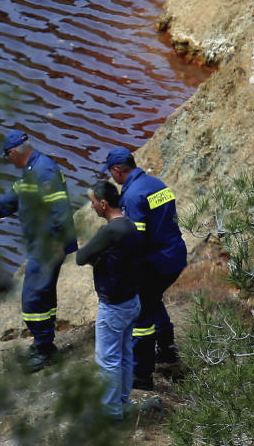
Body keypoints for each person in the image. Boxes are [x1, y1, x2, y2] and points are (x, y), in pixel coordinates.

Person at [0, 130, 78, 372]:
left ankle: (44, 350)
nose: (8, 161)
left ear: (13, 153)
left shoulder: (44, 171)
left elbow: (60, 210)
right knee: (43, 294)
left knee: (32, 297)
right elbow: (15, 195)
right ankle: (44, 342)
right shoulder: (32, 169)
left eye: (7, 157)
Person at [101, 146, 187, 390]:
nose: (112, 178)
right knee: (152, 297)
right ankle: (167, 347)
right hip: (175, 254)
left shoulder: (131, 196)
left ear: (118, 171)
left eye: (111, 173)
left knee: (141, 312)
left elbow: (134, 239)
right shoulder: (156, 184)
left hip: (156, 260)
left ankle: (141, 374)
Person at [76, 180, 144, 420]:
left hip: (114, 306)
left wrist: (97, 258)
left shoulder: (109, 231)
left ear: (103, 204)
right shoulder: (130, 226)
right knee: (125, 355)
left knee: (108, 361)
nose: (92, 206)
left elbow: (81, 257)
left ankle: (111, 413)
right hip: (131, 301)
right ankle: (123, 404)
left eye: (93, 202)